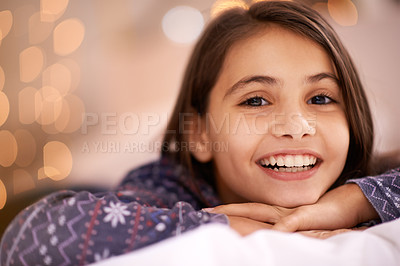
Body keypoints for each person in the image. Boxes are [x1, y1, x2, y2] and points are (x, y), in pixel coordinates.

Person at [1, 1, 399, 265]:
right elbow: (30, 236)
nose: (296, 127)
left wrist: (354, 202)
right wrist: (223, 226)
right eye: (256, 101)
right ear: (199, 135)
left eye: (321, 98)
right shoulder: (168, 190)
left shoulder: (366, 179)